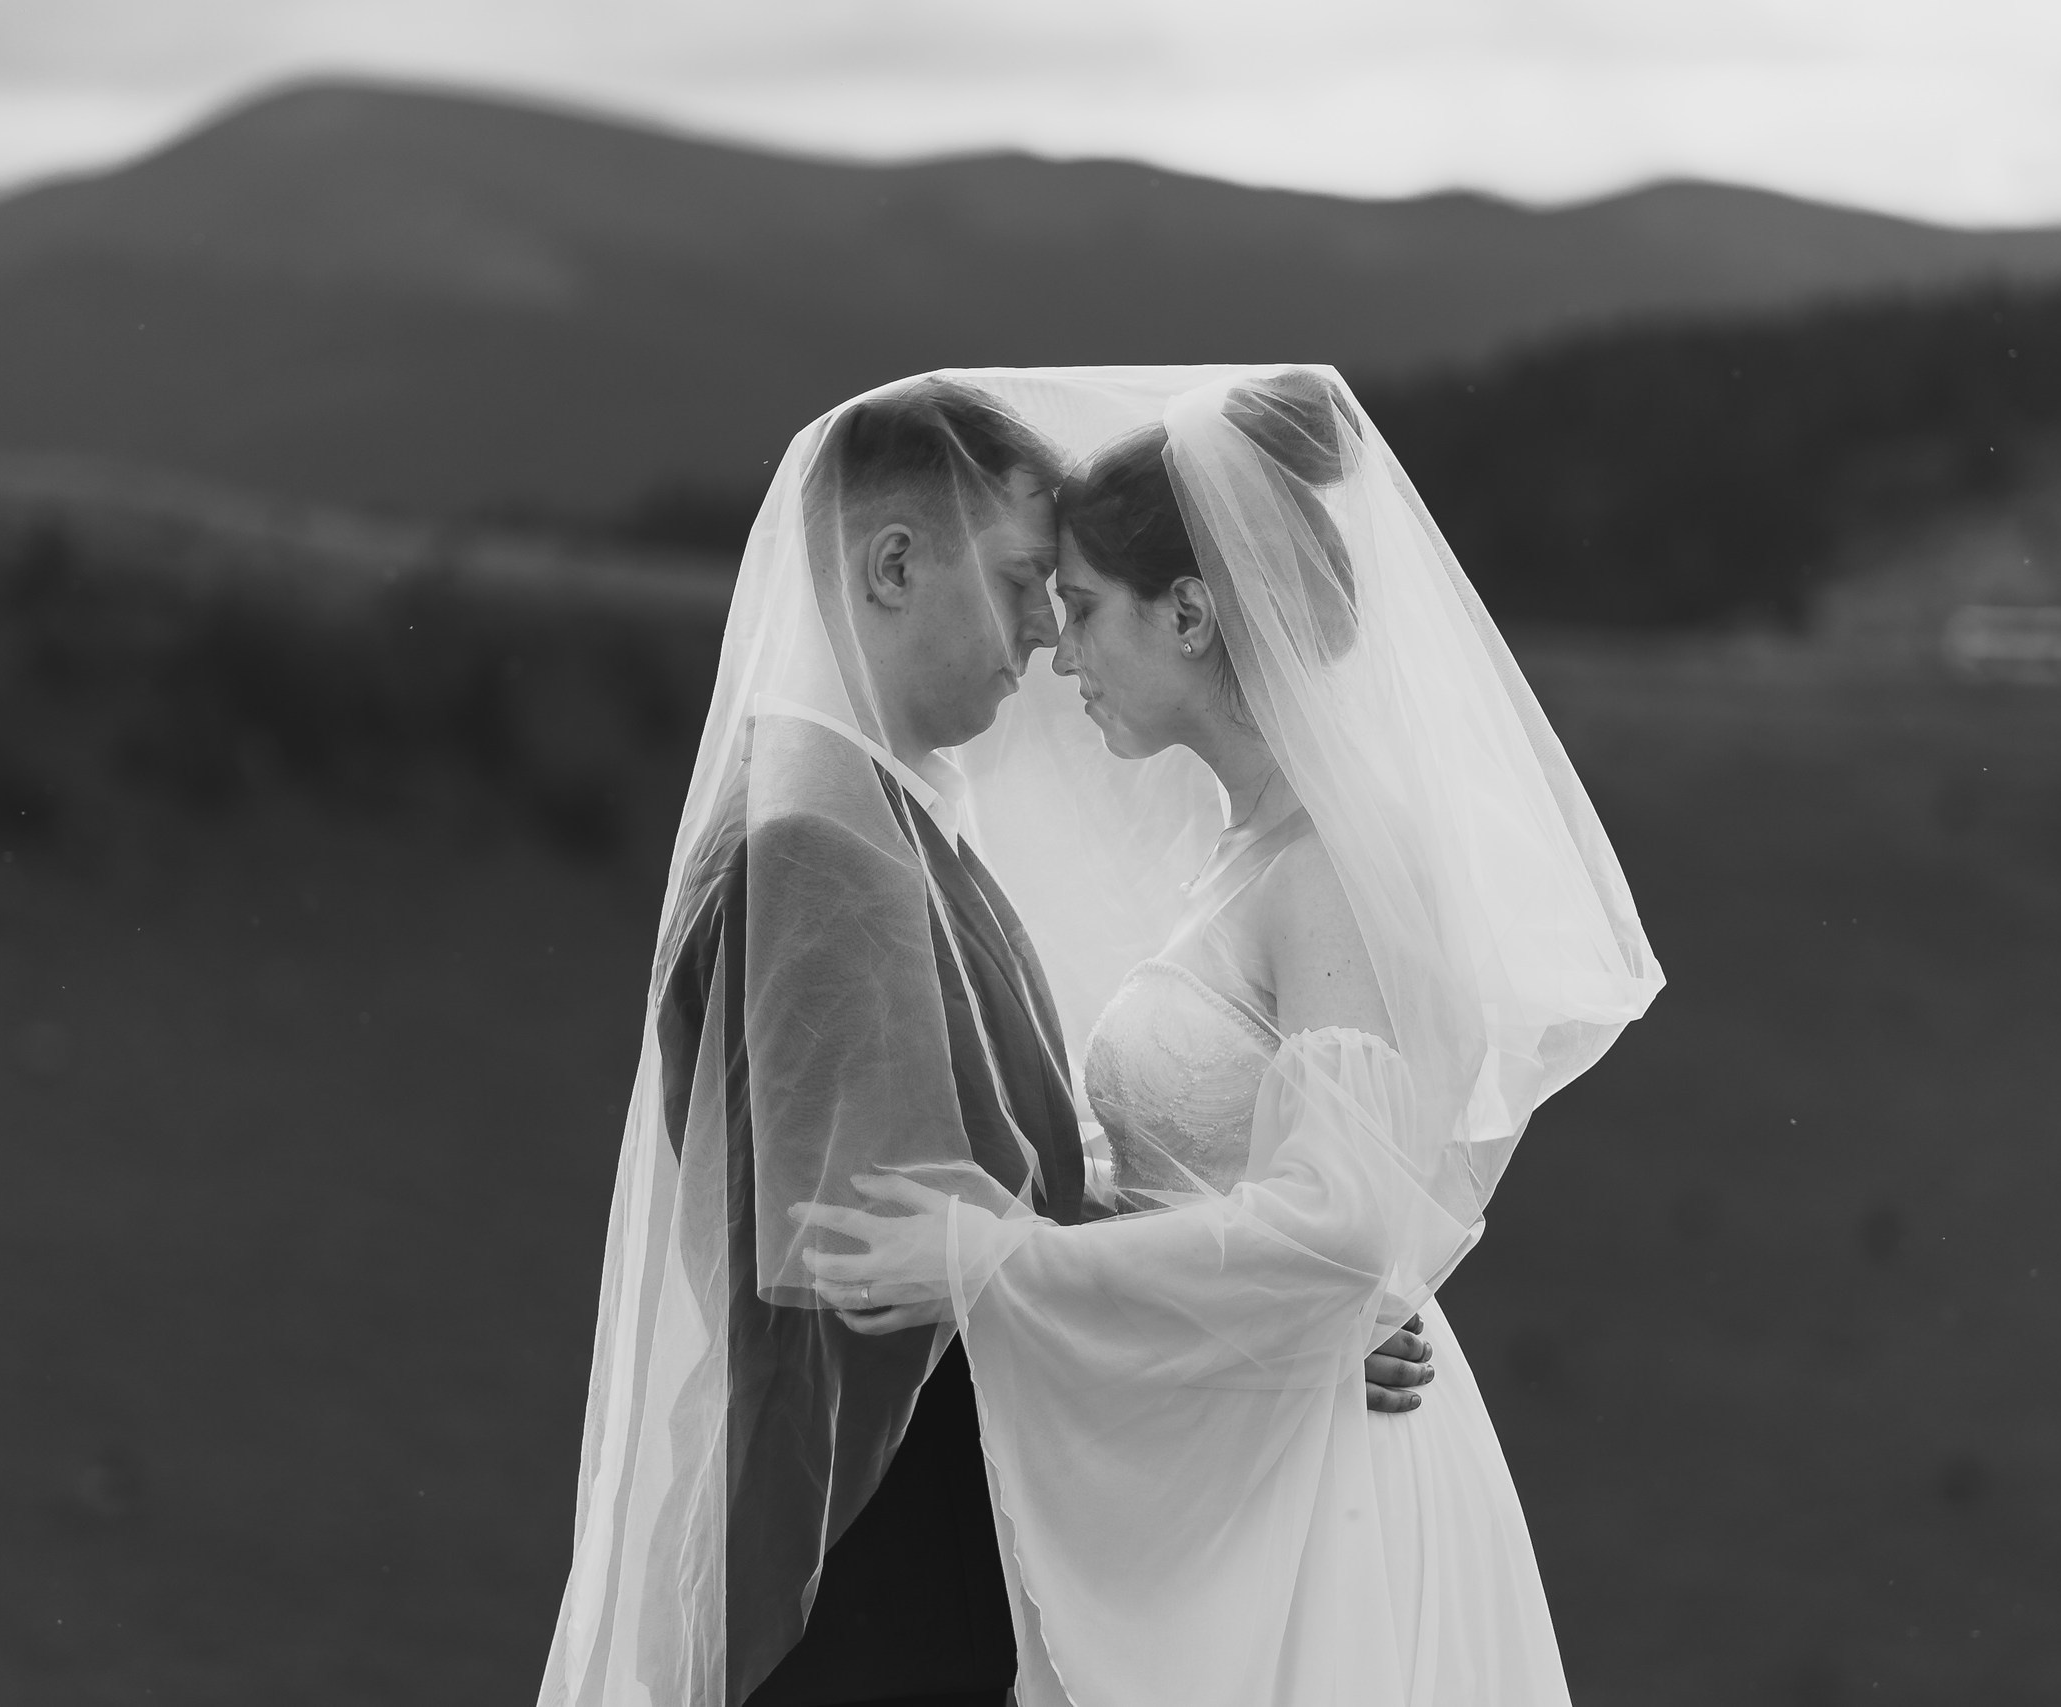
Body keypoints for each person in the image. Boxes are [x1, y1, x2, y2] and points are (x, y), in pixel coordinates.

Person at [536, 376, 1433, 1707]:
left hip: (926, 1549)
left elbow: (983, 1228)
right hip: (862, 1561)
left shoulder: (883, 824)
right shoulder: (818, 850)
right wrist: (1257, 1335)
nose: (1041, 637)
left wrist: (1276, 1309)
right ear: (892, 566)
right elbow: (879, 1270)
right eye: (1024, 582)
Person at [792, 367, 1664, 1705]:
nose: (1056, 654)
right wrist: (1286, 1334)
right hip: (1244, 1467)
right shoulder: (1247, 855)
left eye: (1081, 610)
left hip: (1328, 1515)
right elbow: (1295, 1242)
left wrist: (990, 1259)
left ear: (1190, 614)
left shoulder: (1326, 873)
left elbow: (1337, 1226)